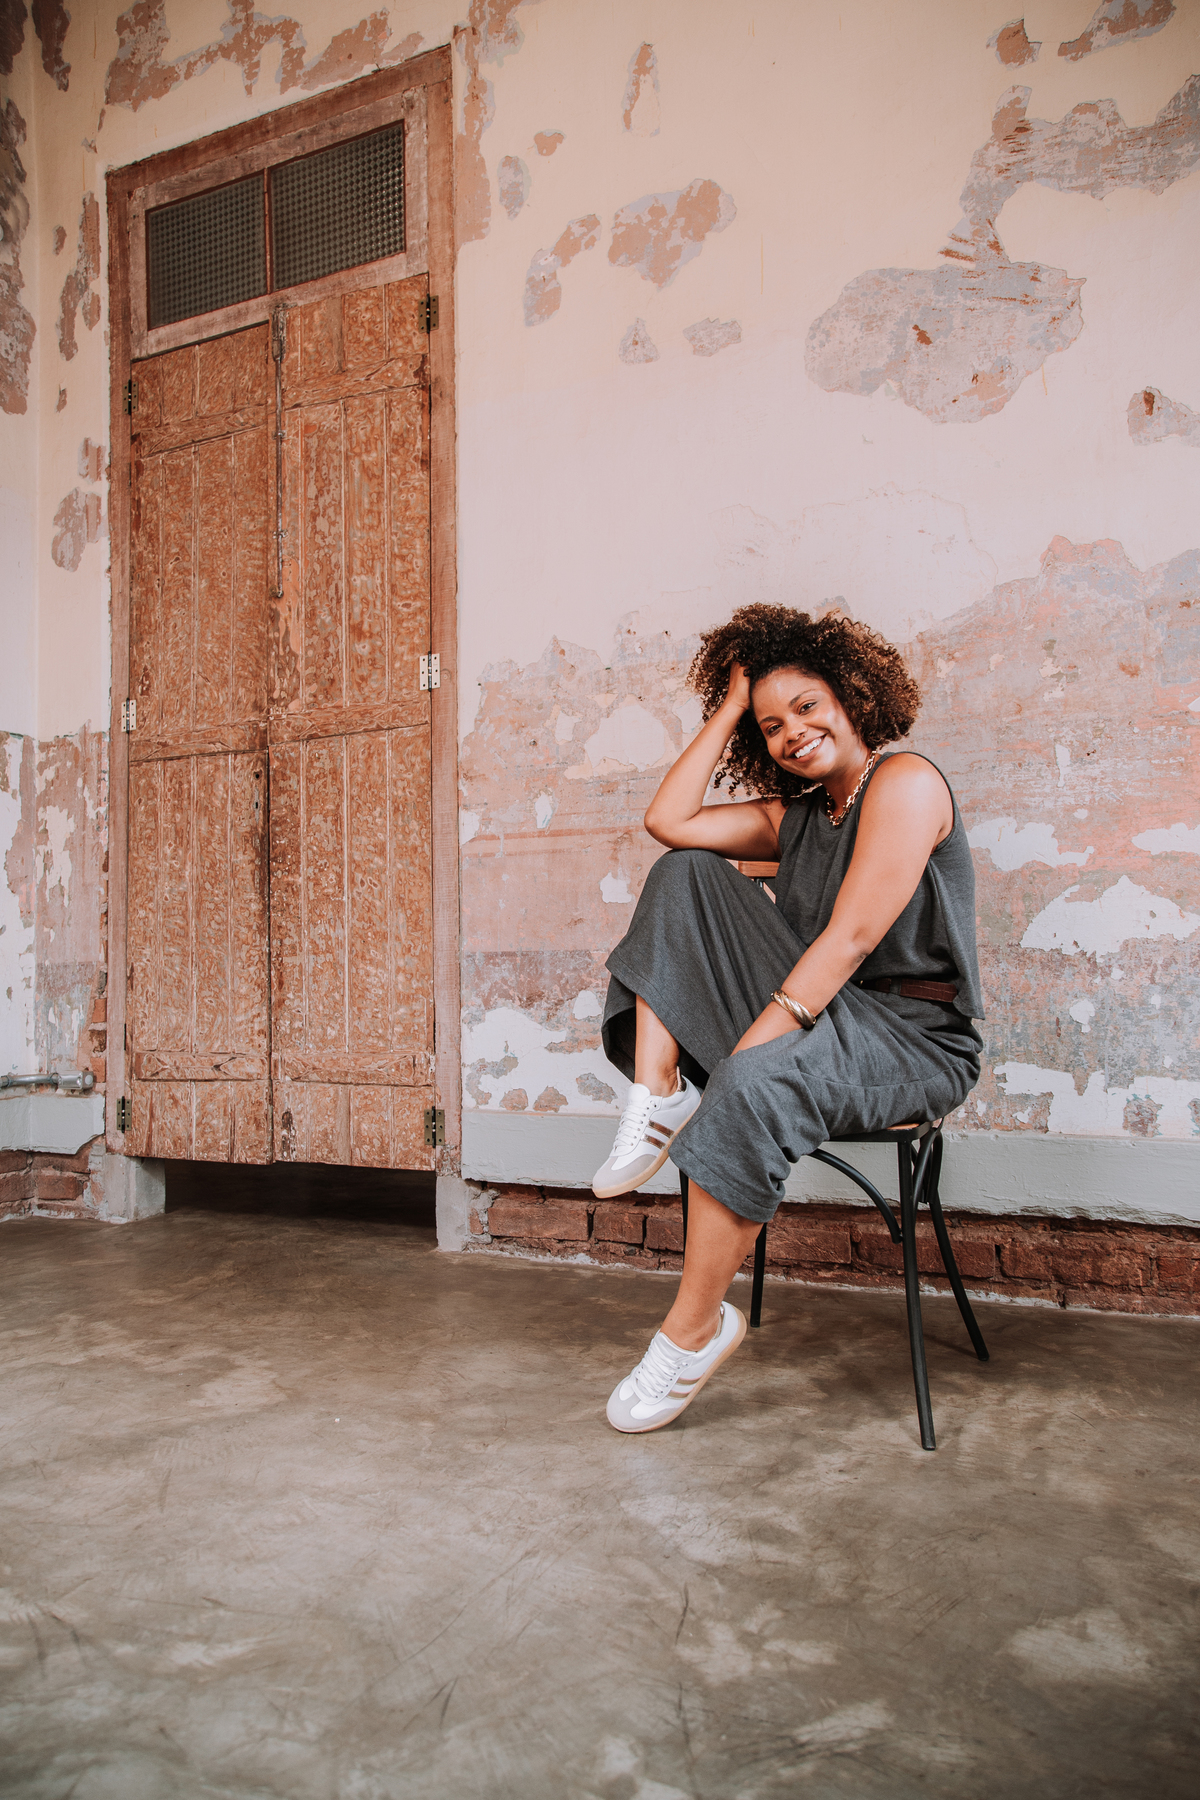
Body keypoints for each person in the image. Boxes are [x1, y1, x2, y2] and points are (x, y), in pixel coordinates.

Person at [594, 603, 983, 1433]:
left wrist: (751, 1053)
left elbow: (850, 939)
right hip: (829, 1018)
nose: (794, 733)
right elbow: (670, 823)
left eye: (808, 706)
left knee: (751, 1082)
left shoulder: (906, 782)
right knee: (685, 870)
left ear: (851, 696)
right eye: (771, 726)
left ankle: (690, 1335)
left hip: (912, 1041)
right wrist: (730, 708)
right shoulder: (798, 818)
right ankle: (657, 1091)